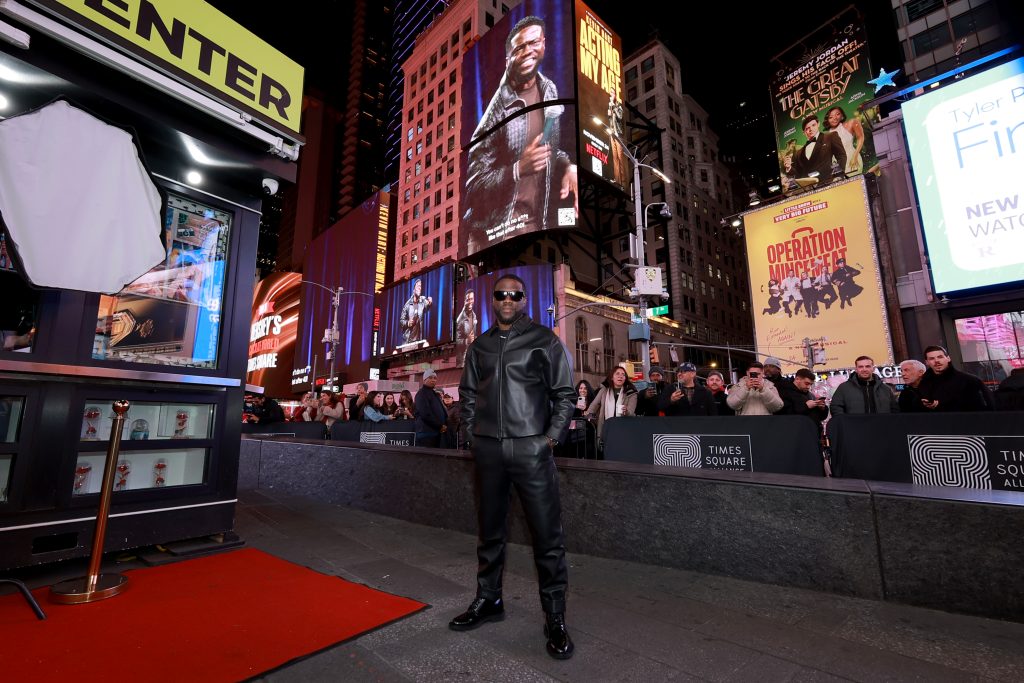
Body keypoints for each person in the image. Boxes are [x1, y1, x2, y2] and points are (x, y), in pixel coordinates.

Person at [453, 273, 576, 660]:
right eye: (501, 294)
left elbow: (565, 394)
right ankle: (489, 599)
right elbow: (467, 394)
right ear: (492, 300)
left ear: (524, 300)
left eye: (515, 294)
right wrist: (472, 436)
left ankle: (554, 617)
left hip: (531, 449)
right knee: (490, 533)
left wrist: (549, 439)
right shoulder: (481, 345)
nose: (507, 299)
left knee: (547, 537)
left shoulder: (544, 339)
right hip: (488, 450)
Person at [462, 16, 578, 255]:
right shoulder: (495, 114)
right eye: (519, 48)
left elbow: (547, 147)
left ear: (544, 44)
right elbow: (473, 188)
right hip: (496, 236)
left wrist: (568, 165)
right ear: (508, 60)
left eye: (533, 43)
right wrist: (517, 169)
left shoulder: (549, 89)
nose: (527, 52)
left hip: (536, 226)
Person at [917, 345, 994, 412]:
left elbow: (985, 406)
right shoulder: (924, 382)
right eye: (932, 358)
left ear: (948, 358)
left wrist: (941, 404)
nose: (936, 361)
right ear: (927, 362)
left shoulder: (970, 380)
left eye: (940, 357)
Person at [584, 365, 638, 445]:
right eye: (617, 374)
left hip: (624, 429)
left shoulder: (631, 393)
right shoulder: (604, 390)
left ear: (625, 378)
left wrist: (626, 412)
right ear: (612, 377)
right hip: (606, 429)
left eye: (623, 374)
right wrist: (587, 416)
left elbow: (631, 412)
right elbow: (594, 406)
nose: (620, 376)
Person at [785, 114, 847, 181]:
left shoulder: (830, 137)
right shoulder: (798, 153)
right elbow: (798, 174)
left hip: (828, 182)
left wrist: (838, 176)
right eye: (807, 128)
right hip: (809, 185)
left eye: (813, 125)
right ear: (804, 132)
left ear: (818, 124)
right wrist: (789, 168)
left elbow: (841, 156)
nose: (811, 129)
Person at [829, 356, 898, 414]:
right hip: (854, 426)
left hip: (881, 425)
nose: (864, 369)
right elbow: (836, 407)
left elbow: (894, 410)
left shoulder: (885, 389)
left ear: (873, 369)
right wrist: (846, 422)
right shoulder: (844, 388)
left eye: (867, 366)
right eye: (860, 367)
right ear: (856, 369)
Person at [824, 105, 865, 175]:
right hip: (837, 166)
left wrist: (855, 156)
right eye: (830, 117)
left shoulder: (851, 123)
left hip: (852, 161)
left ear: (842, 116)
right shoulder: (826, 136)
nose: (834, 118)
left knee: (855, 180)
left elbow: (860, 137)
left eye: (837, 114)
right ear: (828, 120)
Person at [414, 368, 448, 446]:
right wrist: (439, 426)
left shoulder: (434, 394)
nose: (433, 380)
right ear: (424, 380)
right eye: (430, 378)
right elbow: (425, 414)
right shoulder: (421, 394)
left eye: (435, 378)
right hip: (426, 434)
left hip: (436, 433)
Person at [399, 279, 433, 345]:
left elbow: (427, 306)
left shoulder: (422, 300)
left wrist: (430, 303)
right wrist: (408, 323)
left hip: (418, 340)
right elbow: (401, 321)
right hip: (408, 341)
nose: (420, 288)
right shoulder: (407, 305)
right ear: (413, 290)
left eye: (420, 286)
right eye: (418, 286)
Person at [455, 290, 478, 366]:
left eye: (471, 299)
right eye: (468, 299)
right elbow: (456, 341)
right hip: (462, 361)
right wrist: (466, 341)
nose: (470, 301)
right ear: (465, 301)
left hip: (473, 357)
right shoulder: (460, 319)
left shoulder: (474, 316)